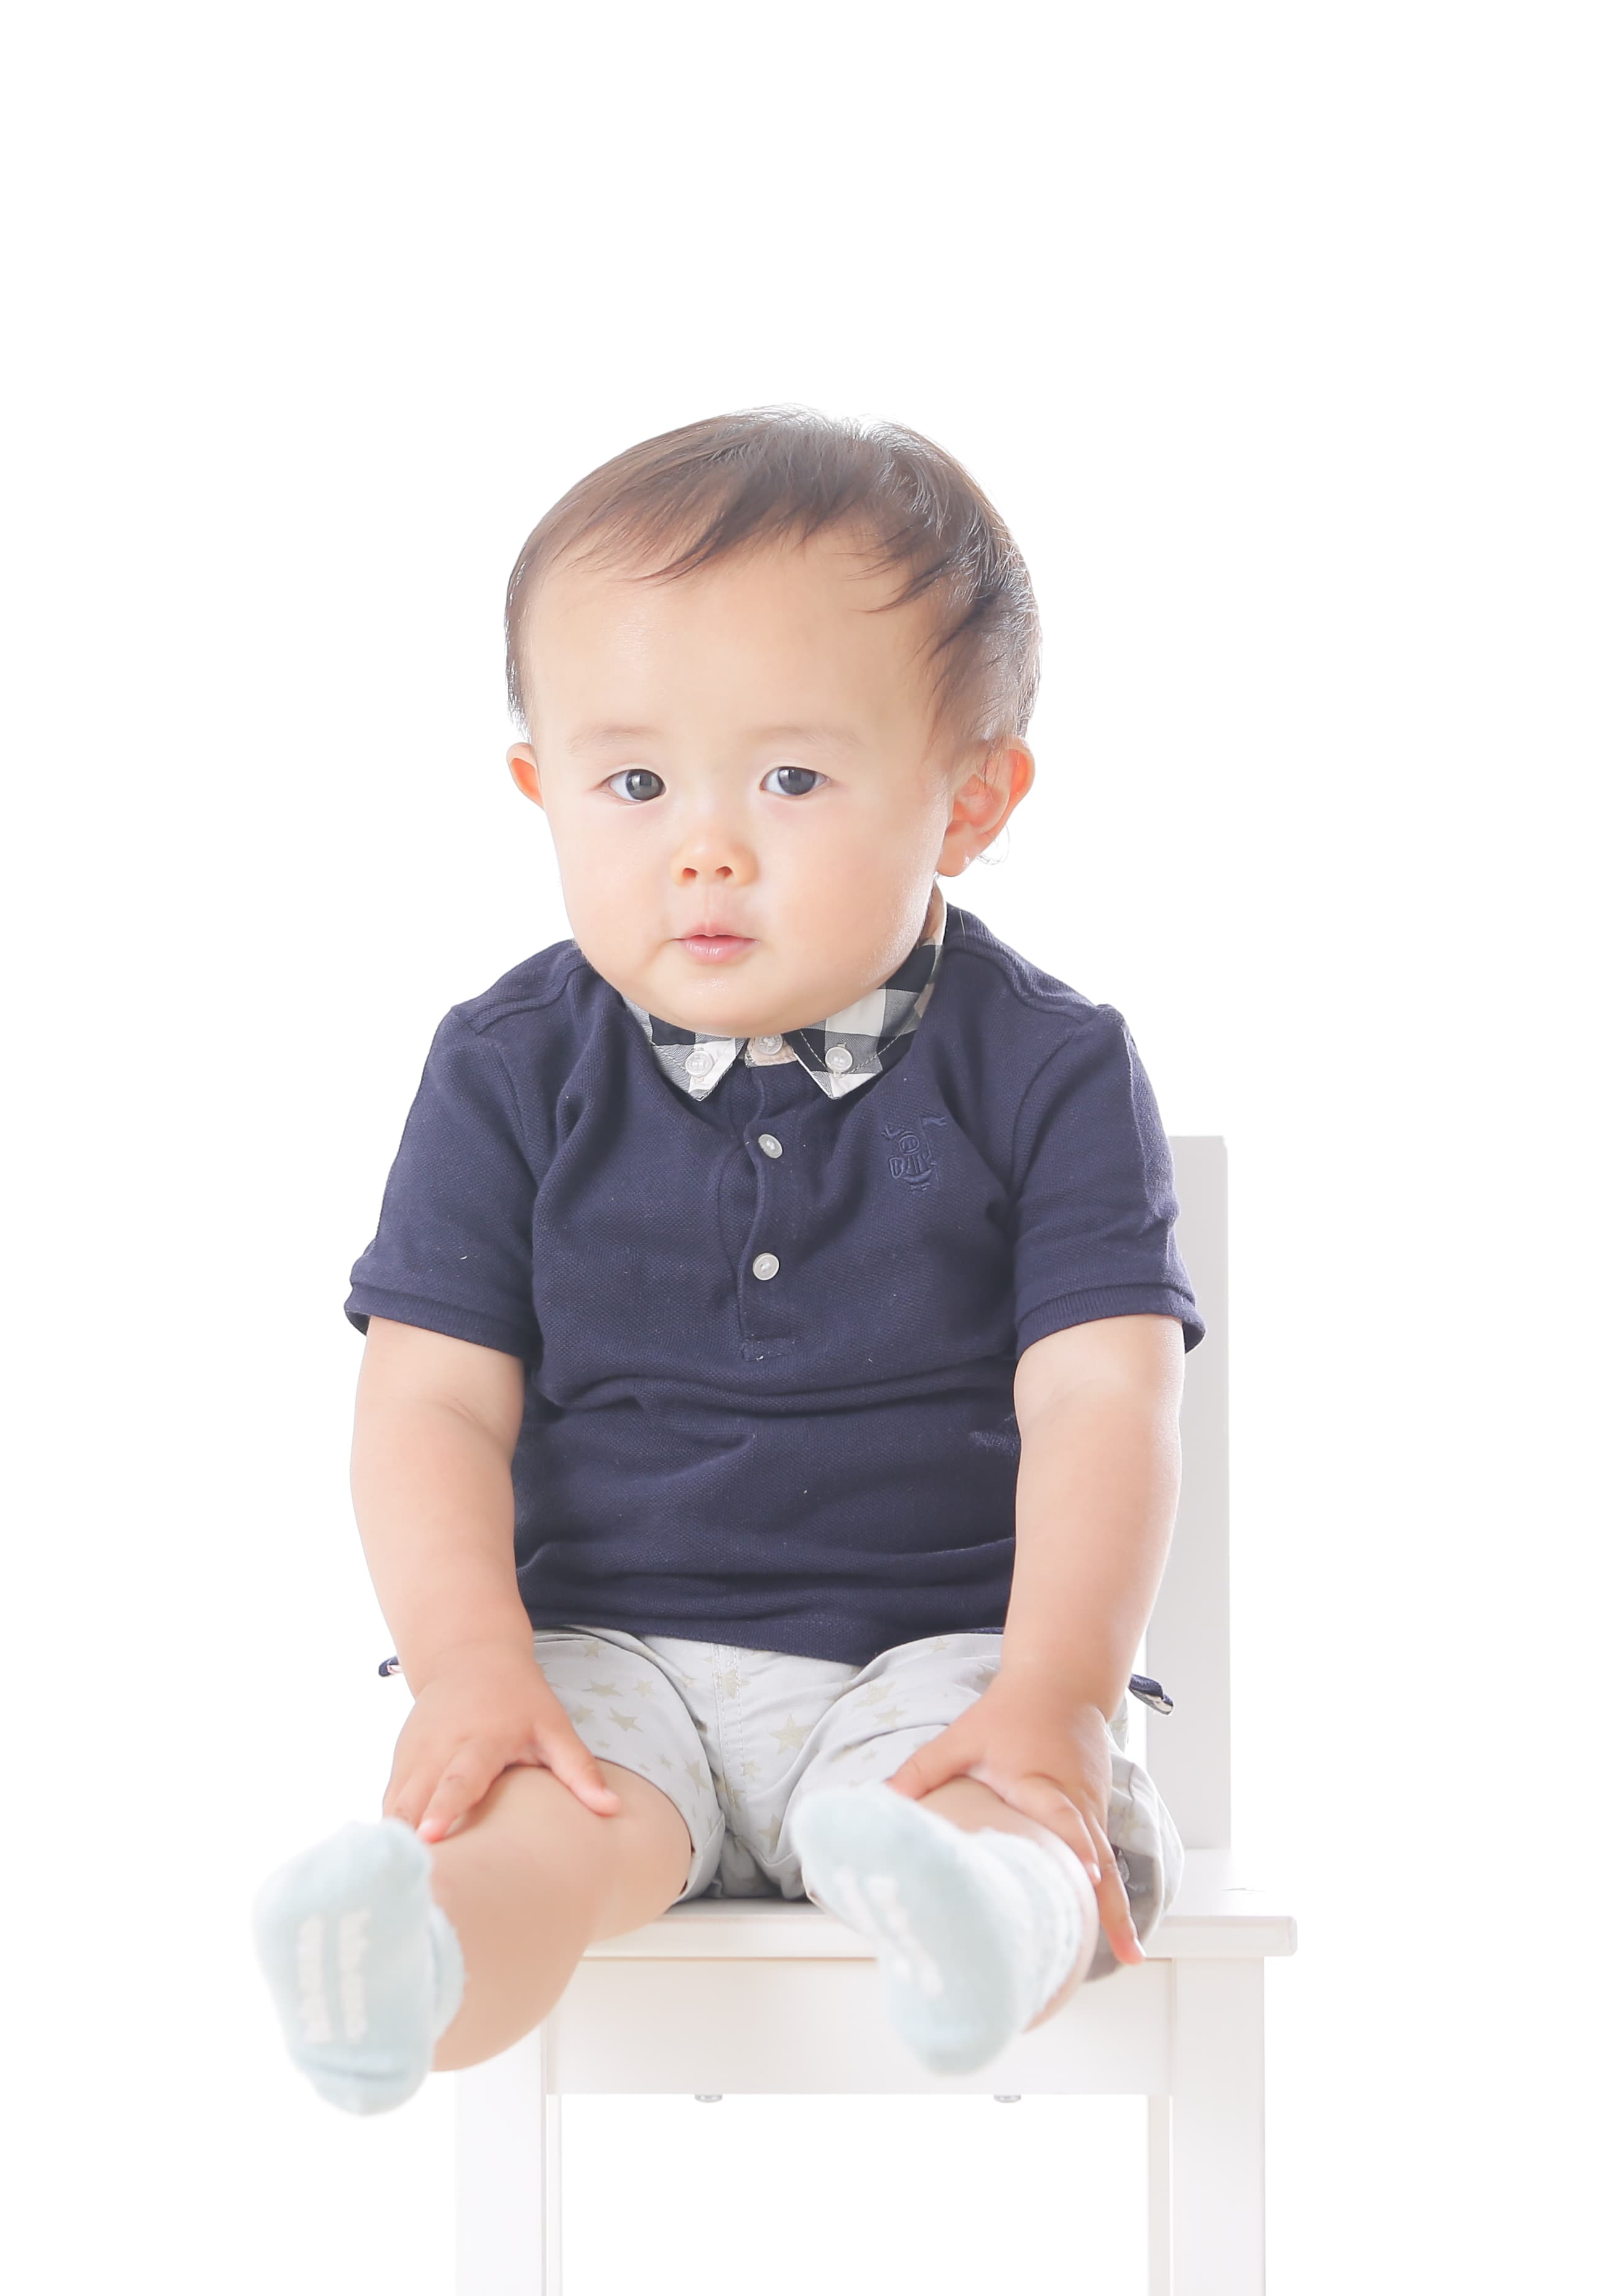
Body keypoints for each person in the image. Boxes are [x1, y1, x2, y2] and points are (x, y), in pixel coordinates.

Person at [251, 408, 1204, 2115]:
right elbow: (430, 1407)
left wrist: (1057, 1692)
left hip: (941, 1653)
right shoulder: (508, 1067)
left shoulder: (1050, 1067)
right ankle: (412, 1972)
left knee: (1007, 1803)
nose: (705, 846)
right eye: (634, 784)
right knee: (531, 1818)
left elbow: (1101, 1403)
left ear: (971, 798)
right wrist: (473, 1669)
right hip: (611, 1651)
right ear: (541, 790)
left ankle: (978, 1919)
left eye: (792, 780)